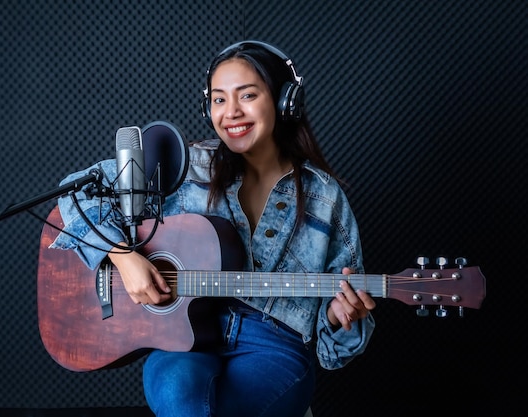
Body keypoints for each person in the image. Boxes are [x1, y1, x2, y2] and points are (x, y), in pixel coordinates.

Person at [50, 40, 376, 417]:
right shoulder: (186, 166)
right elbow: (75, 192)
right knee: (178, 391)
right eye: (219, 100)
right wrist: (122, 256)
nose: (231, 112)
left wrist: (340, 318)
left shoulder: (323, 196)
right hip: (181, 337)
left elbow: (334, 350)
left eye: (247, 95)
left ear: (286, 102)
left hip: (272, 345)